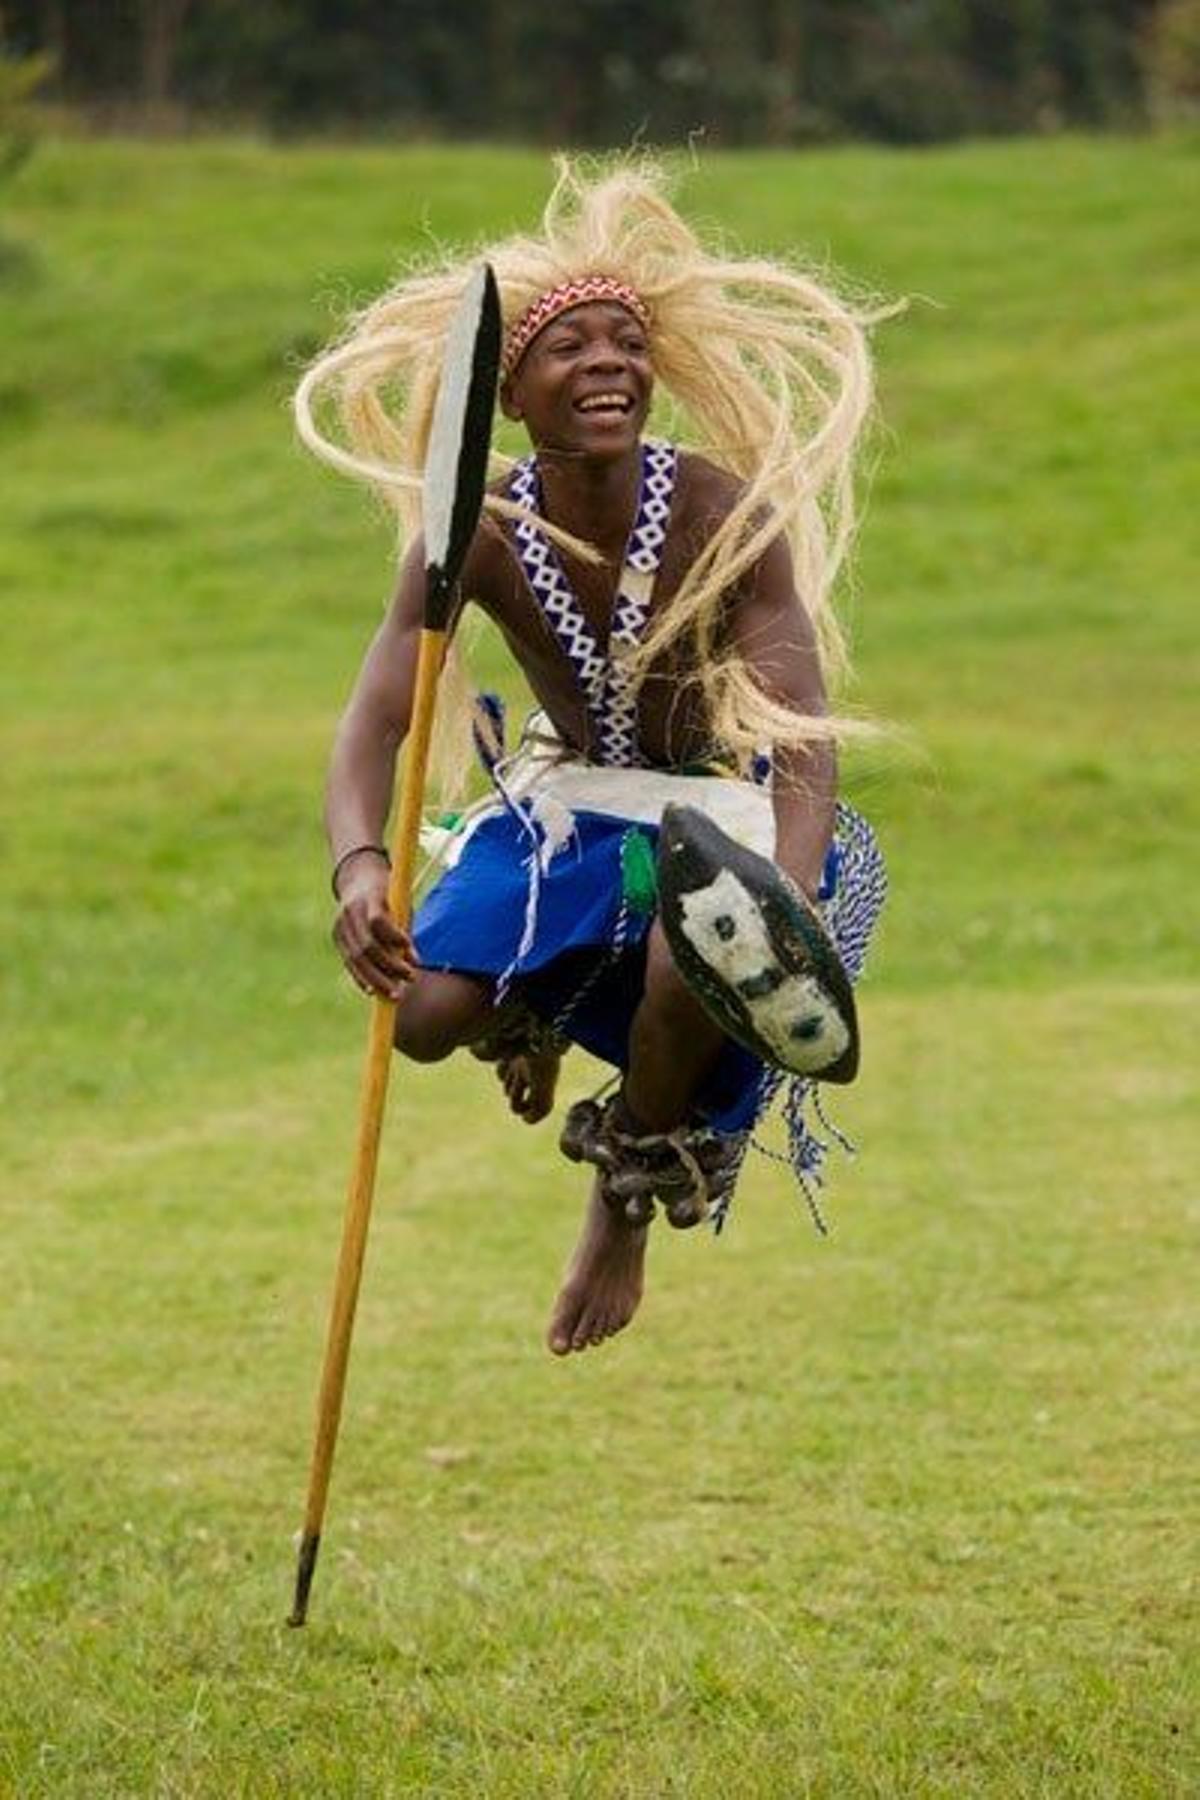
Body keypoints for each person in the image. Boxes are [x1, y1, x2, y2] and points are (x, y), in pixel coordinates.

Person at [295, 158, 890, 1358]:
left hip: (718, 813)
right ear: (509, 397)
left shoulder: (730, 513)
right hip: (567, 809)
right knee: (416, 1014)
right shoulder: (477, 537)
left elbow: (806, 734)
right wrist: (360, 867)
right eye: (571, 349)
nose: (609, 361)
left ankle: (626, 1189)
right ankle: (526, 1016)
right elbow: (374, 725)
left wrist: (801, 886)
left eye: (627, 342)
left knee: (698, 941)